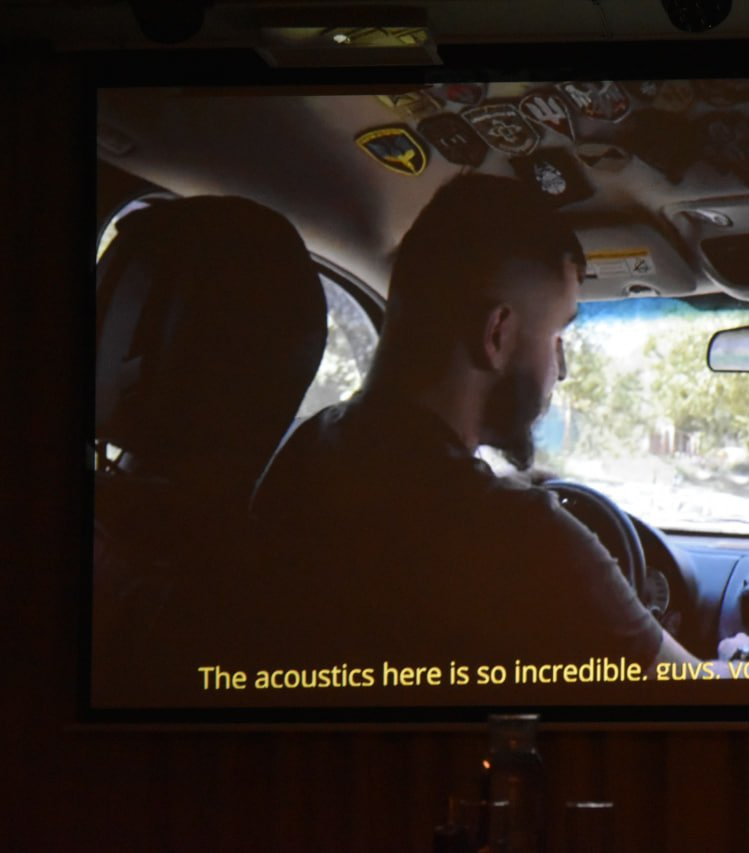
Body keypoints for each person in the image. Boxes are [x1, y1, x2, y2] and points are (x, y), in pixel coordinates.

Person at [251, 174, 709, 685]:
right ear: (496, 334)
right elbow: (701, 697)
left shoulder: (303, 453)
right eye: (557, 335)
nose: (561, 369)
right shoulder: (524, 539)